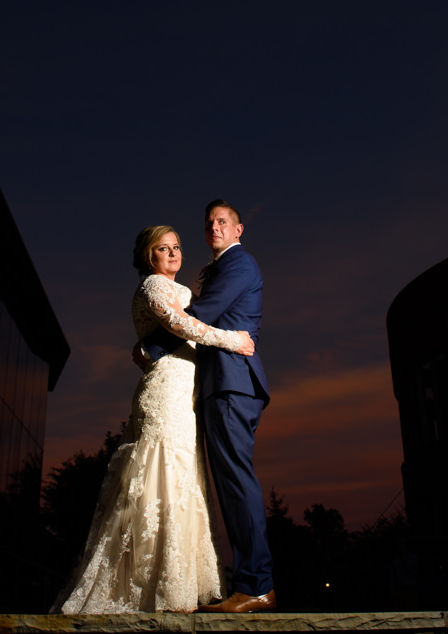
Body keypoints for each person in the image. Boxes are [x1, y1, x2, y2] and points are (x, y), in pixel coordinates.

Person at [51, 225, 255, 614]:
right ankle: (149, 586)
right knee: (160, 476)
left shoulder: (176, 290)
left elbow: (180, 330)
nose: (174, 253)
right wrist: (233, 339)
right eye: (164, 248)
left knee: (181, 479)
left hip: (184, 394)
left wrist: (148, 346)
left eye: (177, 246)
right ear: (150, 257)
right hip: (163, 394)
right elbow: (182, 326)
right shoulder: (153, 287)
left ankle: (175, 582)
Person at [142, 199, 276, 613]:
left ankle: (256, 585)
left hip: (234, 383)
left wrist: (152, 346)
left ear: (238, 231)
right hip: (220, 385)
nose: (214, 228)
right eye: (209, 223)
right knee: (229, 483)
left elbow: (203, 313)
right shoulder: (221, 268)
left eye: (223, 222)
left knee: (236, 481)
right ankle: (248, 582)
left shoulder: (238, 265)